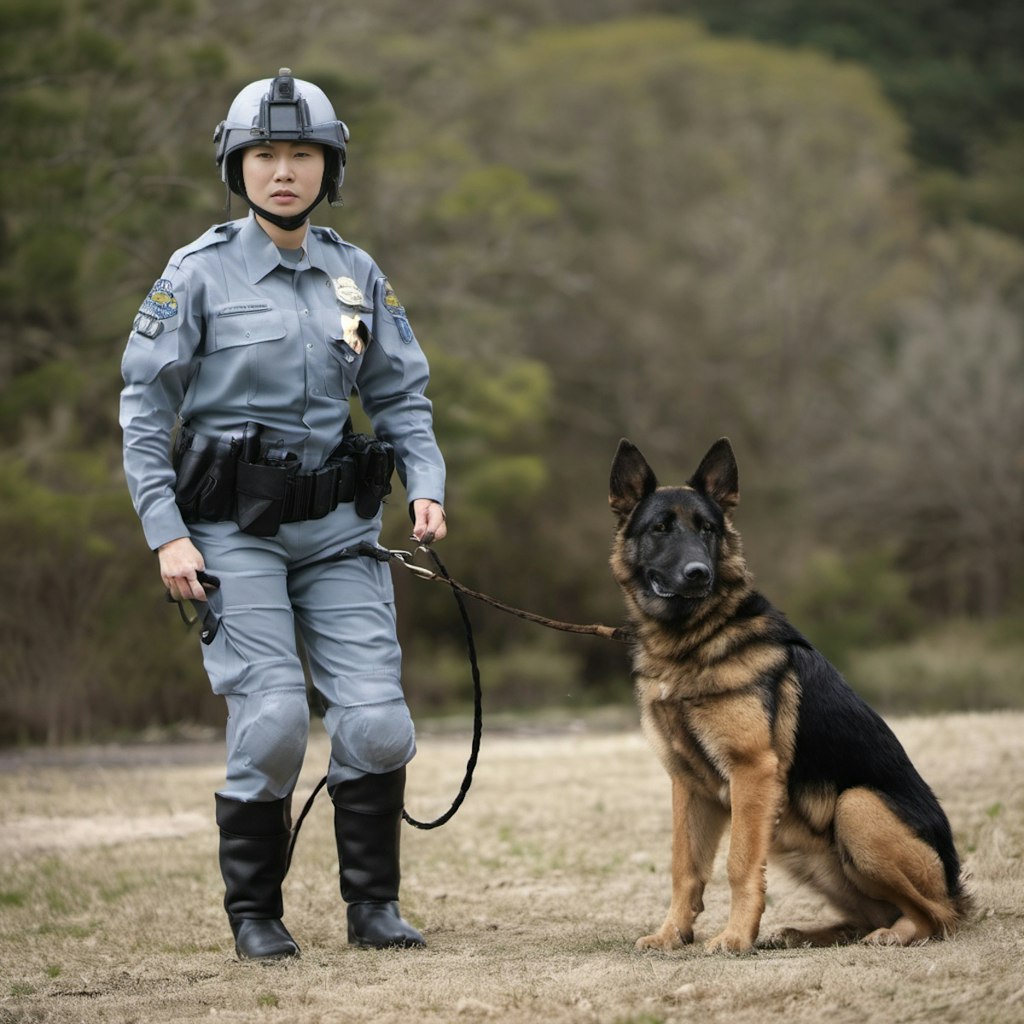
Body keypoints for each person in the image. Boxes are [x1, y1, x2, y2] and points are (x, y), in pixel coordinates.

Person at [119, 70, 447, 961]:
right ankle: (255, 917)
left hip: (339, 532)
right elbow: (144, 414)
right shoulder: (196, 275)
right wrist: (166, 531)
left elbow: (402, 398)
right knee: (269, 721)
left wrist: (427, 483)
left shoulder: (357, 273)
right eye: (265, 153)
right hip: (230, 533)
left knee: (378, 722)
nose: (284, 171)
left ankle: (372, 907)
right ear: (238, 165)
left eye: (302, 153)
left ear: (328, 166)